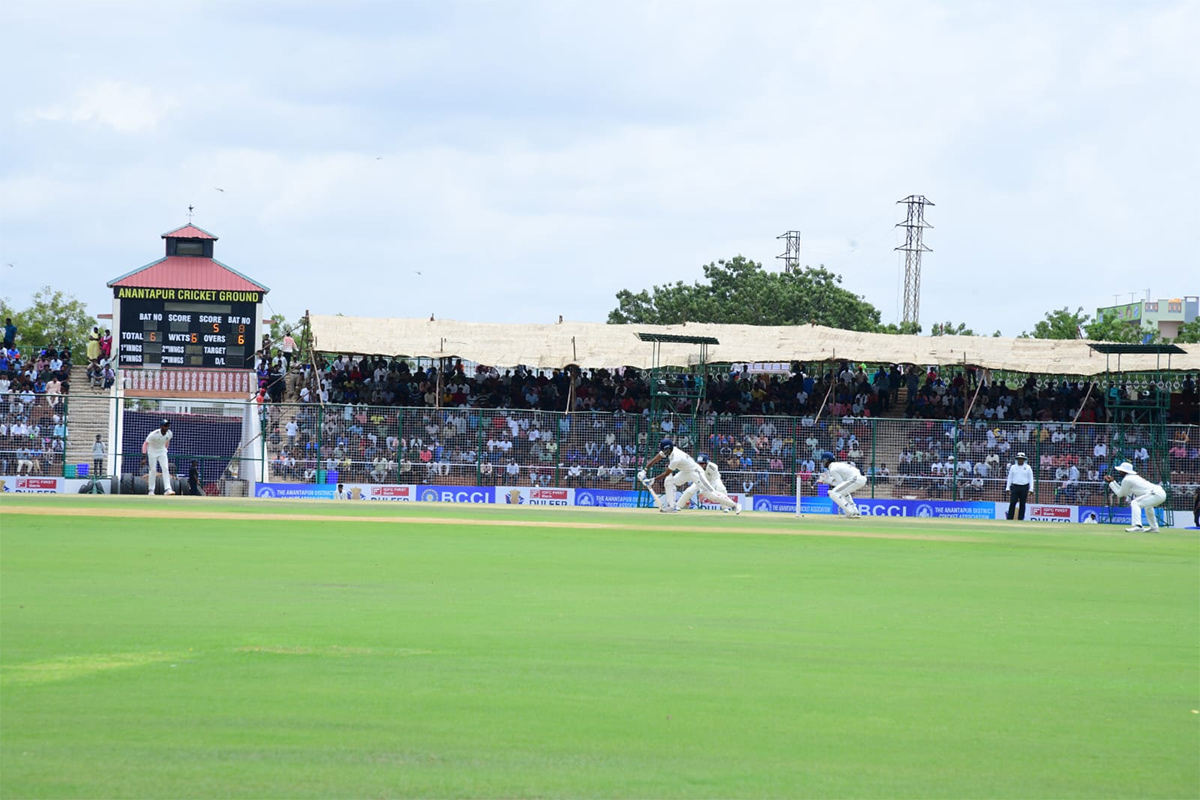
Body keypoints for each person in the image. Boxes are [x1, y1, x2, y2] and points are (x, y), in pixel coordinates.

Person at [641, 438, 740, 514]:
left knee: (710, 494)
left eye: (665, 451)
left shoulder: (676, 457)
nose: (664, 453)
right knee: (669, 481)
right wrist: (645, 470)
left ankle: (735, 505)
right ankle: (672, 506)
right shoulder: (667, 450)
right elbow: (656, 459)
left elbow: (667, 472)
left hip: (696, 472)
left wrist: (652, 480)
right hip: (686, 472)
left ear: (669, 449)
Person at [1104, 461, 1167, 532]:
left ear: (1124, 471)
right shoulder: (1133, 477)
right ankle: (1154, 528)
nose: (1119, 472)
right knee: (1148, 507)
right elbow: (1122, 491)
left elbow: (1120, 494)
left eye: (1120, 470)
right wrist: (1113, 482)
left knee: (1135, 503)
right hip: (1159, 493)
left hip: (1155, 493)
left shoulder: (1127, 479)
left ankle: (1138, 526)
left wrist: (1111, 483)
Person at [142, 419, 175, 496]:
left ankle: (168, 489)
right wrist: (144, 457)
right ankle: (151, 490)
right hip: (152, 451)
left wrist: (166, 449)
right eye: (165, 426)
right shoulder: (153, 434)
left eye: (168, 426)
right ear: (161, 426)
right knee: (153, 470)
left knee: (165, 468)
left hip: (162, 451)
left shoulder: (169, 433)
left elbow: (167, 441)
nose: (167, 427)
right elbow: (145, 444)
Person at [1005, 451, 1034, 520]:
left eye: (1022, 459)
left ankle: (1021, 518)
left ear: (1024, 459)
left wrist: (1031, 489)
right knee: (1012, 502)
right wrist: (1007, 488)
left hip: (1024, 486)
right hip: (1015, 486)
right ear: (1017, 459)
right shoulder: (1013, 467)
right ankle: (1010, 518)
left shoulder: (1028, 467)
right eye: (1019, 458)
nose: (1020, 460)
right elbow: (1010, 478)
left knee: (1022, 503)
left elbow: (1031, 478)